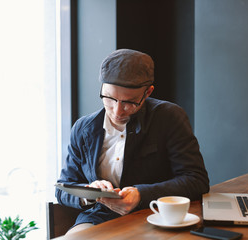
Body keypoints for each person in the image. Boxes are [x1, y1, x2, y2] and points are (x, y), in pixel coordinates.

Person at [56, 49, 209, 234]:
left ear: (148, 92)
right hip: (99, 217)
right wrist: (89, 193)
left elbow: (196, 180)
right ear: (102, 88)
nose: (117, 111)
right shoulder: (83, 128)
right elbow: (63, 189)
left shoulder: (169, 117)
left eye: (130, 102)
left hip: (156, 215)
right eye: (110, 98)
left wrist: (141, 195)